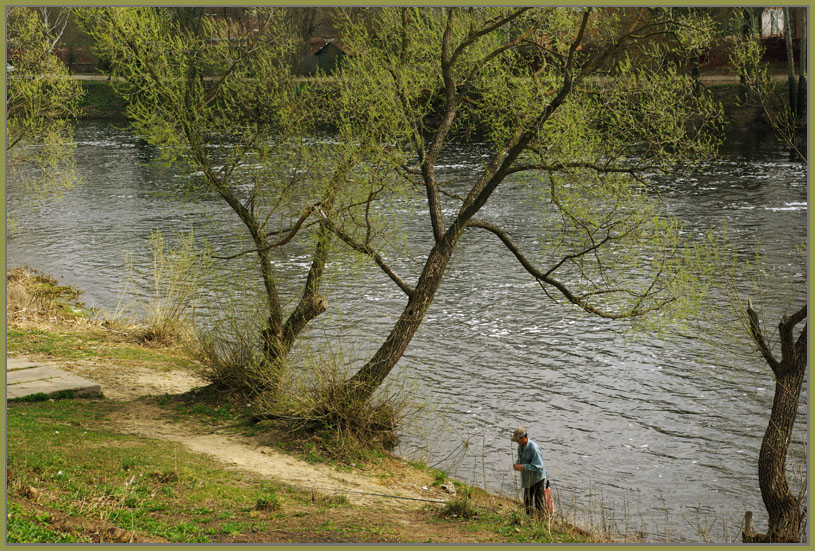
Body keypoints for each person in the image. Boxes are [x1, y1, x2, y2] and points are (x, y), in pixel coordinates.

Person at [511, 427, 547, 515]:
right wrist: (517, 464)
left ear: (523, 437)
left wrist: (523, 467)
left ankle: (541, 521)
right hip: (528, 478)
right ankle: (529, 519)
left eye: (517, 440)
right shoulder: (520, 447)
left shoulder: (534, 448)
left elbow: (538, 466)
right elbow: (521, 459)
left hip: (537, 478)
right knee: (527, 501)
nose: (517, 442)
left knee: (538, 503)